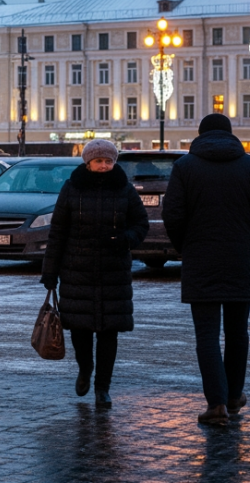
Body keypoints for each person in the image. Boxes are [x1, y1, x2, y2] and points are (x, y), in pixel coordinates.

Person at [162, 113, 250, 426]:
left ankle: (216, 405)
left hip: (201, 260)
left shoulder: (185, 167)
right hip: (240, 259)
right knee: (238, 333)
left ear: (201, 135)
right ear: (231, 134)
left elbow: (172, 215)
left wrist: (187, 247)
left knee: (207, 335)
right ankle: (233, 397)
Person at [42, 139, 149, 408]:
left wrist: (125, 238)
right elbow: (57, 232)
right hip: (77, 270)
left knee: (108, 333)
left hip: (113, 271)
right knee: (80, 329)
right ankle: (85, 368)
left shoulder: (124, 190)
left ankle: (103, 388)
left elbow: (141, 225)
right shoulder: (71, 188)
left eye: (108, 161)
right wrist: (50, 272)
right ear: (88, 162)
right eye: (99, 161)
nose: (104, 166)